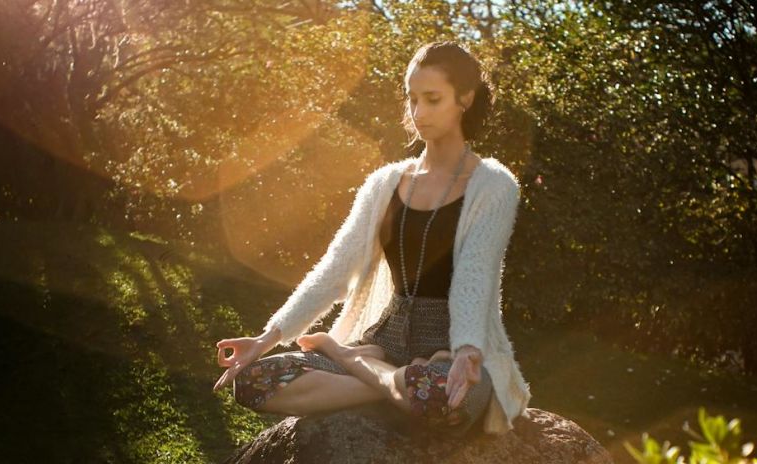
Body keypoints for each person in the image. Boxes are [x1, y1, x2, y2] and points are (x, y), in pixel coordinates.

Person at [213, 41, 531, 439]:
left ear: (465, 98)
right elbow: (334, 270)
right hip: (384, 338)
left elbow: (475, 275)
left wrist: (467, 349)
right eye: (412, 99)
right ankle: (389, 381)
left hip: (451, 348)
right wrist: (266, 339)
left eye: (433, 99)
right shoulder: (385, 183)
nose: (418, 113)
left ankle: (344, 356)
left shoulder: (495, 185)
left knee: (440, 401)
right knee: (255, 381)